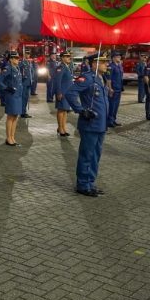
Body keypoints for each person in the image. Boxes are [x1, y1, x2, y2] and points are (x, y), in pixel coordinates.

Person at [65, 54, 110, 196]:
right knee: (87, 154)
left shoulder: (101, 79)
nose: (106, 65)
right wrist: (81, 110)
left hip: (100, 124)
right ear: (94, 64)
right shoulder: (87, 78)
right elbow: (70, 93)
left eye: (106, 62)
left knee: (95, 155)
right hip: (90, 123)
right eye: (103, 62)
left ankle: (90, 182)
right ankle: (83, 185)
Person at [0, 51, 24, 146]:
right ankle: (8, 138)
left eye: (18, 58)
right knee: (10, 117)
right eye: (16, 58)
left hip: (18, 96)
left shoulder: (17, 68)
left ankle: (12, 137)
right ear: (11, 59)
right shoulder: (8, 68)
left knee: (15, 117)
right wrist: (6, 88)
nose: (18, 60)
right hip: (11, 96)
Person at [52, 51, 74, 136]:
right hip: (62, 92)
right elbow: (57, 81)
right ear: (62, 58)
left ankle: (64, 128)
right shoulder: (60, 67)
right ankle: (60, 128)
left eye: (69, 56)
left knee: (65, 111)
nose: (69, 58)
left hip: (67, 93)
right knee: (61, 110)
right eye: (67, 56)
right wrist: (58, 92)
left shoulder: (67, 67)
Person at [106, 51, 124, 127]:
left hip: (119, 88)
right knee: (111, 105)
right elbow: (108, 79)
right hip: (113, 89)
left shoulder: (119, 66)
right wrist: (110, 88)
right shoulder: (110, 67)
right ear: (113, 58)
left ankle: (113, 119)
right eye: (117, 56)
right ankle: (109, 121)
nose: (119, 57)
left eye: (119, 56)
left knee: (116, 106)